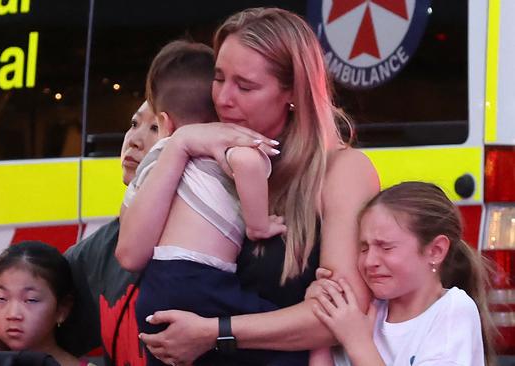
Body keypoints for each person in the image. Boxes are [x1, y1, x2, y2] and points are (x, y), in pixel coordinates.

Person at [117, 7, 379, 366]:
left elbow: (340, 320)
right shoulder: (198, 152)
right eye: (219, 78)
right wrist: (180, 143)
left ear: (293, 92)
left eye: (245, 85)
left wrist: (214, 332)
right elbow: (129, 254)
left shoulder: (341, 171)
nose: (223, 98)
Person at [0, 102, 160, 366]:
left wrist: (215, 332)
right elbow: (32, 297)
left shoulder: (208, 236)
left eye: (156, 127)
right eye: (133, 124)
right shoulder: (102, 249)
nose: (134, 140)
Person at [117, 39, 299, 365]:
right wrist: (259, 224)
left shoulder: (154, 160)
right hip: (199, 283)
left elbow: (127, 242)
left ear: (165, 121)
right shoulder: (224, 143)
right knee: (290, 343)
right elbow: (246, 163)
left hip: (155, 292)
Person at [308, 182, 496, 366]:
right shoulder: (366, 309)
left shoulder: (452, 310)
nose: (369, 261)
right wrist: (323, 316)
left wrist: (358, 343)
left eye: (386, 247)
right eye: (364, 248)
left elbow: (357, 342)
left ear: (435, 251)